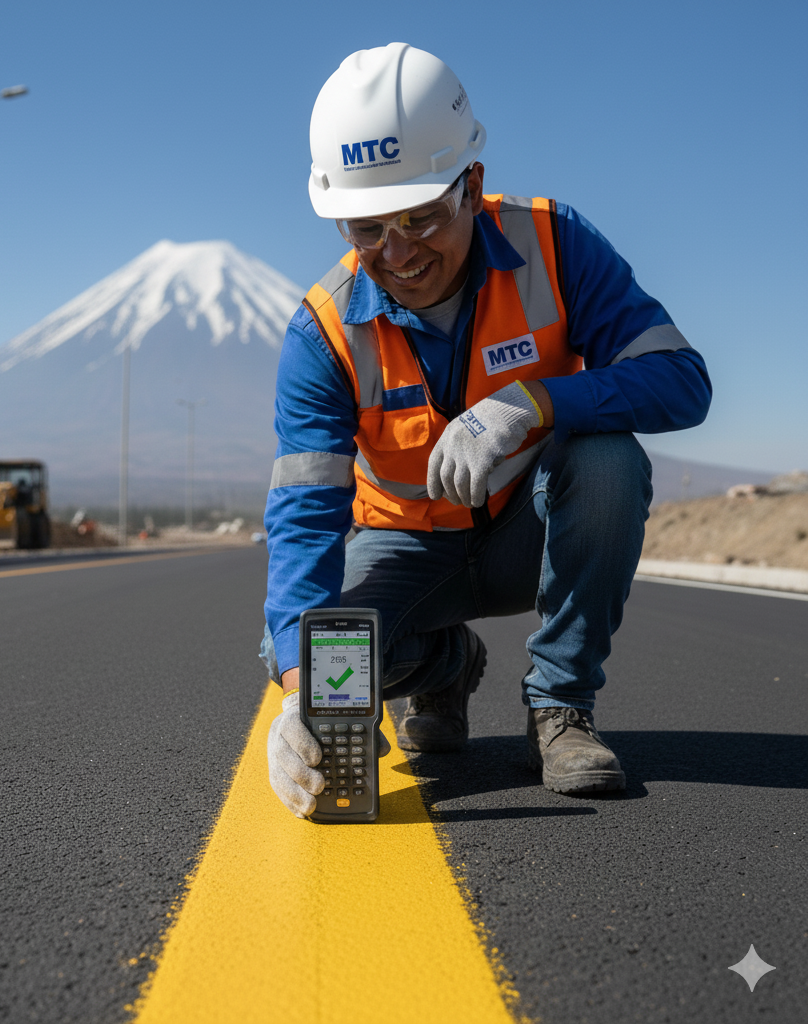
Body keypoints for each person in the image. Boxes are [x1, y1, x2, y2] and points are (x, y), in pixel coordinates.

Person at [262, 43, 711, 818]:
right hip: (404, 549)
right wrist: (301, 693)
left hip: (528, 533)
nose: (397, 254)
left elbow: (682, 382)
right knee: (320, 646)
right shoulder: (324, 333)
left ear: (471, 184)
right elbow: (303, 522)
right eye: (366, 228)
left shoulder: (554, 245)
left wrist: (535, 403)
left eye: (420, 218)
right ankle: (444, 662)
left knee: (608, 462)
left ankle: (560, 706)